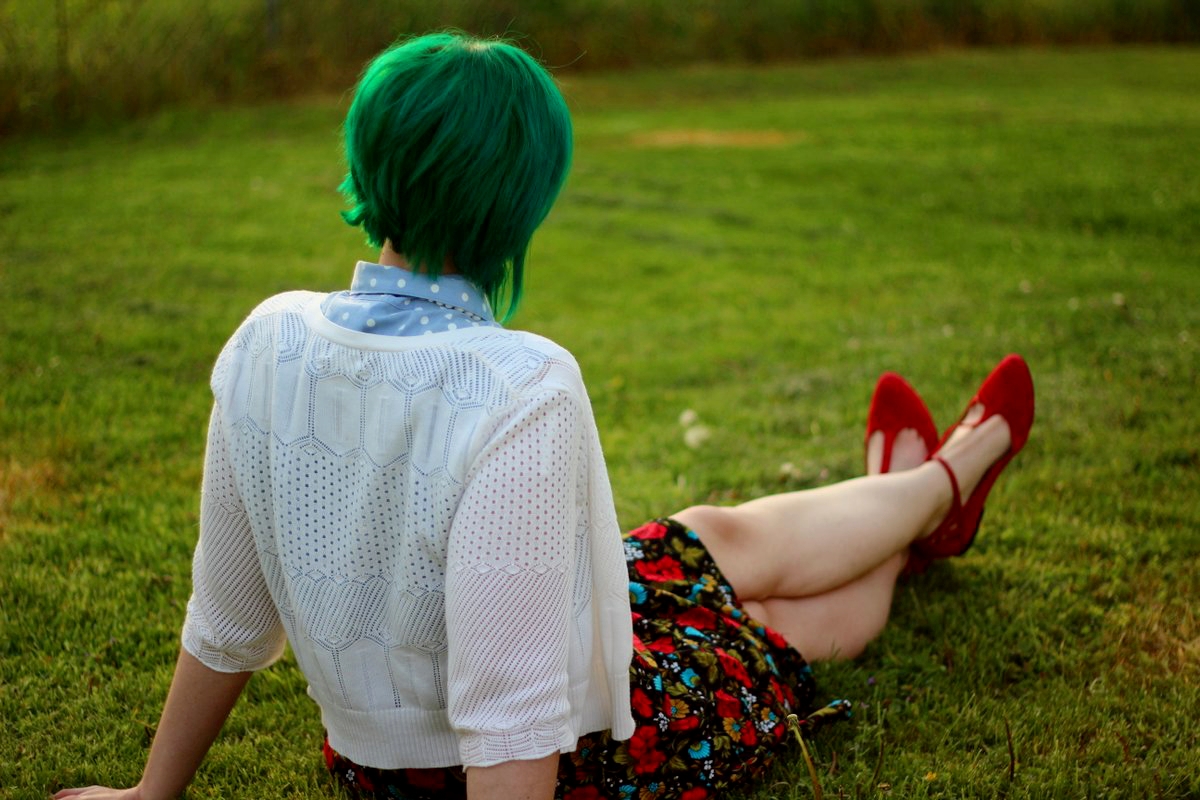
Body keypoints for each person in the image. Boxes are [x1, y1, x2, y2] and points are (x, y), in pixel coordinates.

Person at [54, 32, 1035, 800]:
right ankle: (926, 511)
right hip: (551, 761)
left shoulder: (265, 336)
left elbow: (227, 620)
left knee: (706, 534)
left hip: (390, 758)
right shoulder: (520, 382)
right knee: (767, 628)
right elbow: (511, 718)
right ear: (523, 203)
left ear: (367, 160)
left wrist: (153, 791)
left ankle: (933, 486)